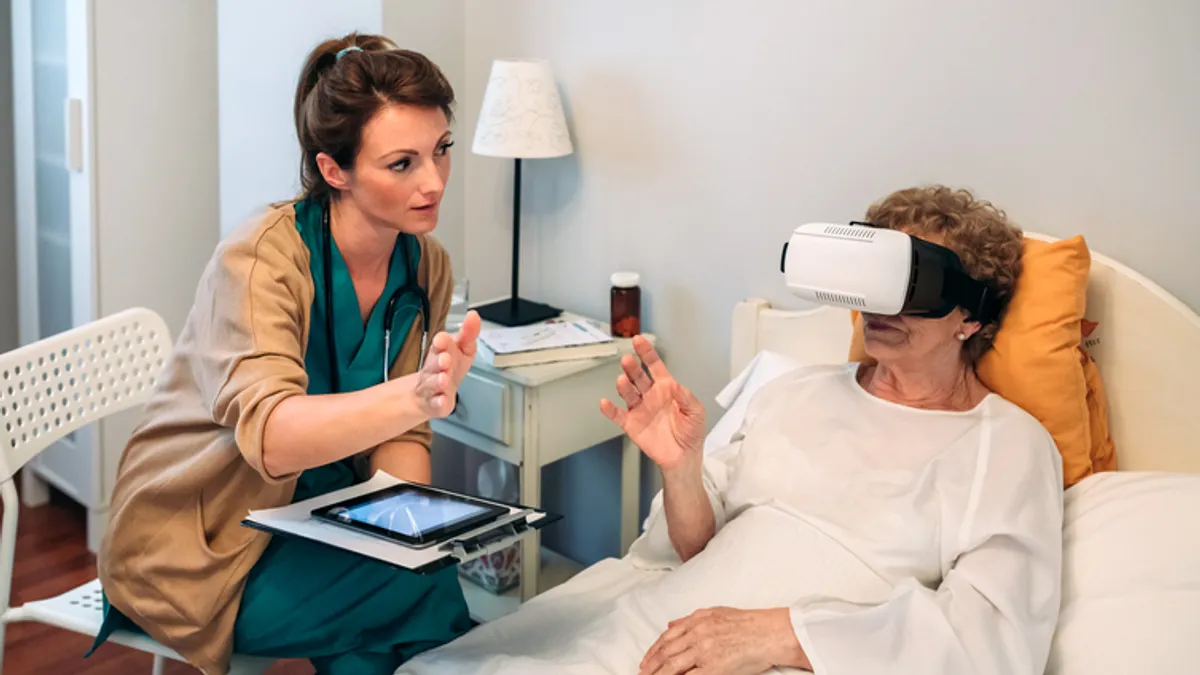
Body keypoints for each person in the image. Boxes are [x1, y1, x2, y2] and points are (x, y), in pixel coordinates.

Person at [394, 185, 1064, 675]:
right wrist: (682, 466)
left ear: (971, 317)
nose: (881, 307)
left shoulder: (1004, 445)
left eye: (912, 285)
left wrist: (777, 635)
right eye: (876, 280)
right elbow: (694, 545)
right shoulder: (795, 389)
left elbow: (991, 638)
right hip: (661, 625)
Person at [89, 33, 481, 675]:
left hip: (321, 513)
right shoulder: (259, 260)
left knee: (416, 578)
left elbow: (403, 432)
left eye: (441, 151)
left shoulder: (423, 265)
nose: (434, 181)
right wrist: (416, 393)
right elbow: (270, 440)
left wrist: (407, 526)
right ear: (335, 171)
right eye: (402, 163)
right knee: (418, 595)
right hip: (203, 539)